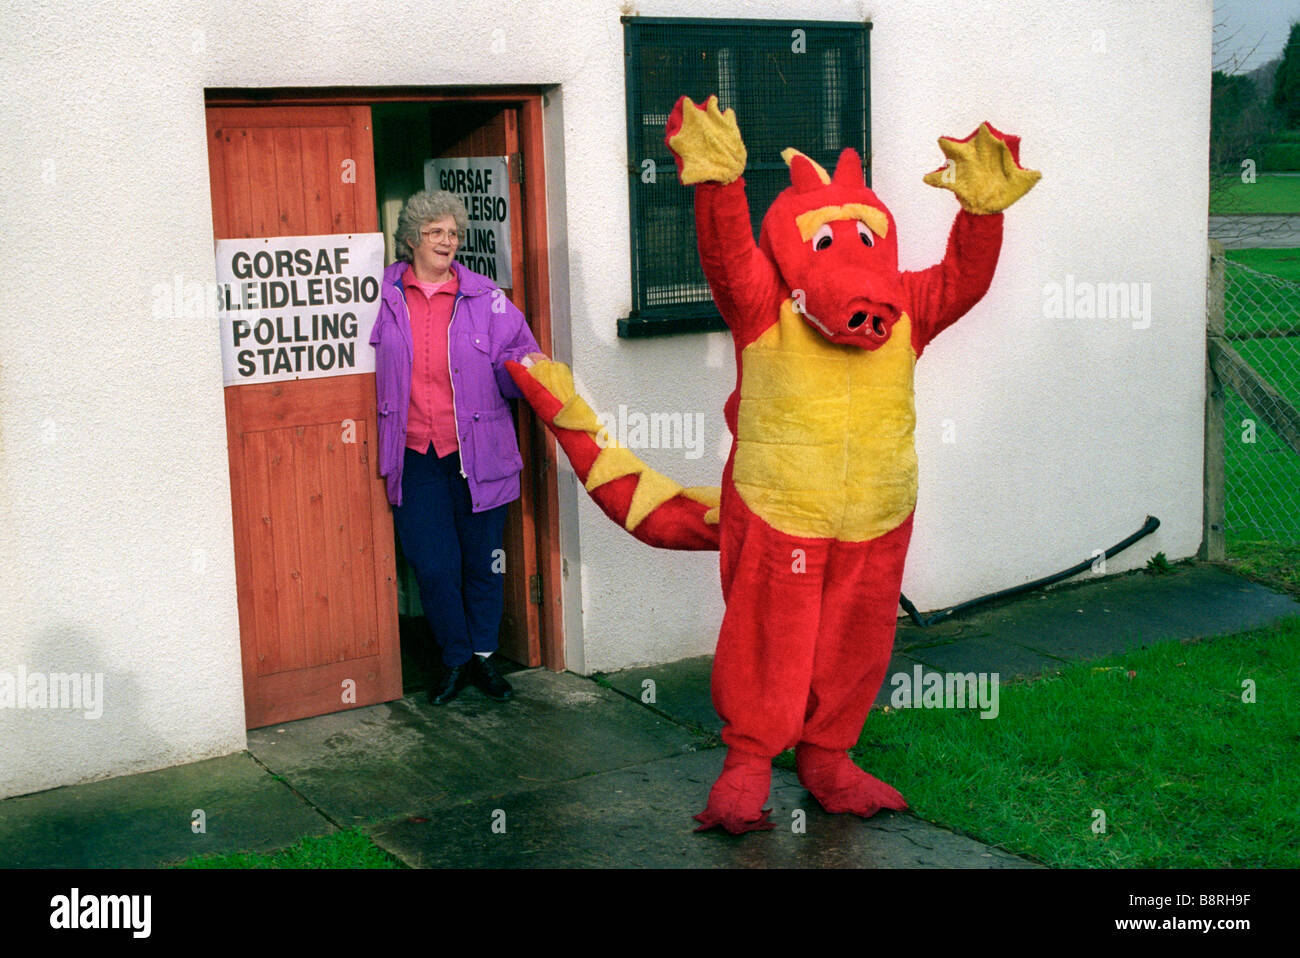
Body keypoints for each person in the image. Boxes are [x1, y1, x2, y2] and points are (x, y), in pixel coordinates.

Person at [370, 189, 546, 705]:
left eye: (453, 233)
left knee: (484, 559)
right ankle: (454, 659)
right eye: (435, 233)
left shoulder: (488, 299)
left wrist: (529, 373)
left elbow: (522, 355)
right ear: (410, 241)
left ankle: (485, 661)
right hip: (415, 453)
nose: (447, 241)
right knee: (434, 564)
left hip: (479, 452)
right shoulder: (382, 296)